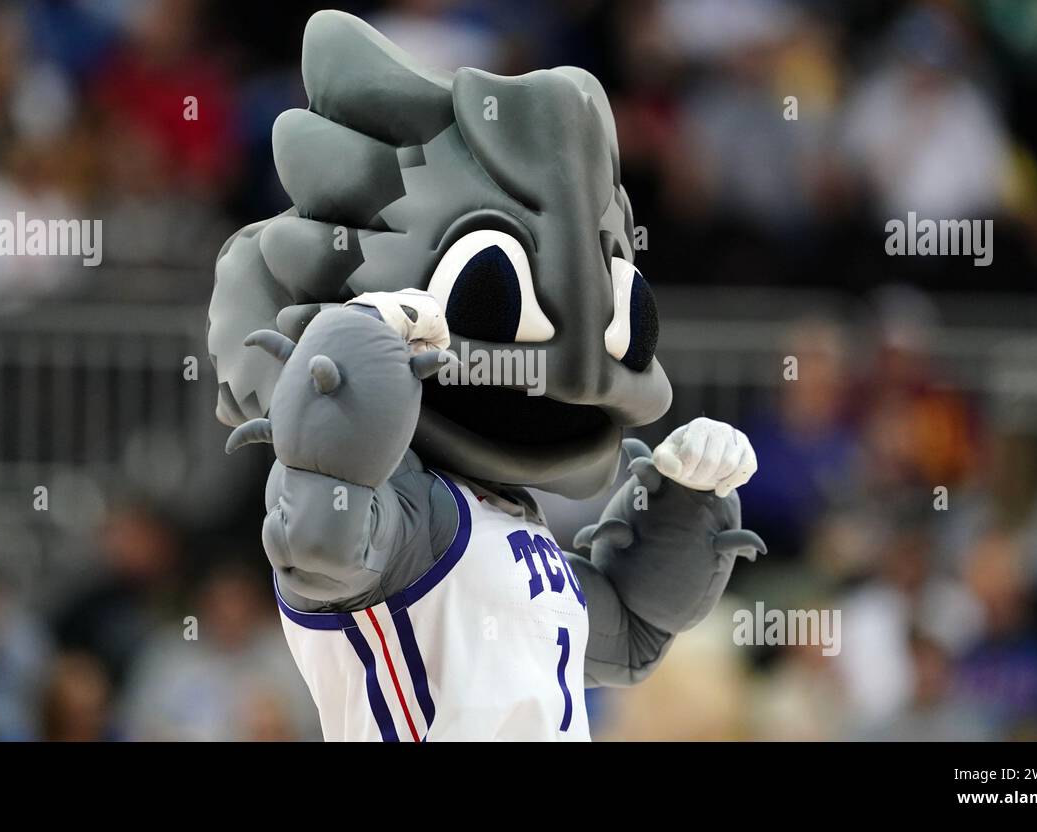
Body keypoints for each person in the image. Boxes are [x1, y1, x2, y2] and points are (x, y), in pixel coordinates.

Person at [208, 11, 764, 742]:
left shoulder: (515, 525)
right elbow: (320, 535)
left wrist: (689, 501)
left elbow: (629, 632)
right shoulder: (409, 520)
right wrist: (355, 343)